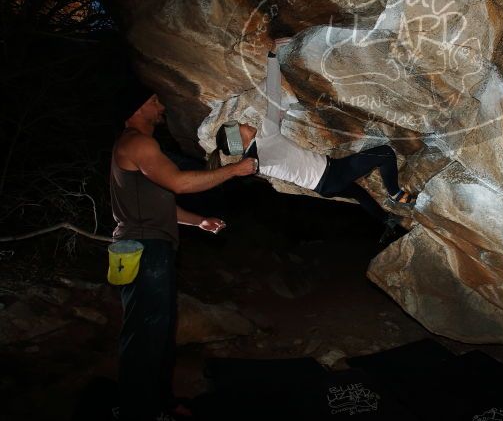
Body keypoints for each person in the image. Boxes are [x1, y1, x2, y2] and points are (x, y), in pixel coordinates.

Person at [110, 84, 257, 421]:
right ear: (136, 109)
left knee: (158, 332)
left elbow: (159, 204)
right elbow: (178, 183)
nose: (160, 106)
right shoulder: (138, 142)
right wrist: (234, 169)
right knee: (147, 334)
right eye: (153, 101)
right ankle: (140, 410)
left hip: (144, 246)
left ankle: (158, 401)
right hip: (145, 251)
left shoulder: (135, 147)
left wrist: (199, 221)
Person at [209, 38, 415, 237]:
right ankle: (395, 194)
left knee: (358, 193)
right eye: (241, 126)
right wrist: (272, 56)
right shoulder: (263, 142)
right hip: (330, 175)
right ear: (238, 138)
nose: (245, 124)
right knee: (385, 153)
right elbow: (273, 95)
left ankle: (387, 221)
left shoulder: (258, 151)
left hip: (322, 185)